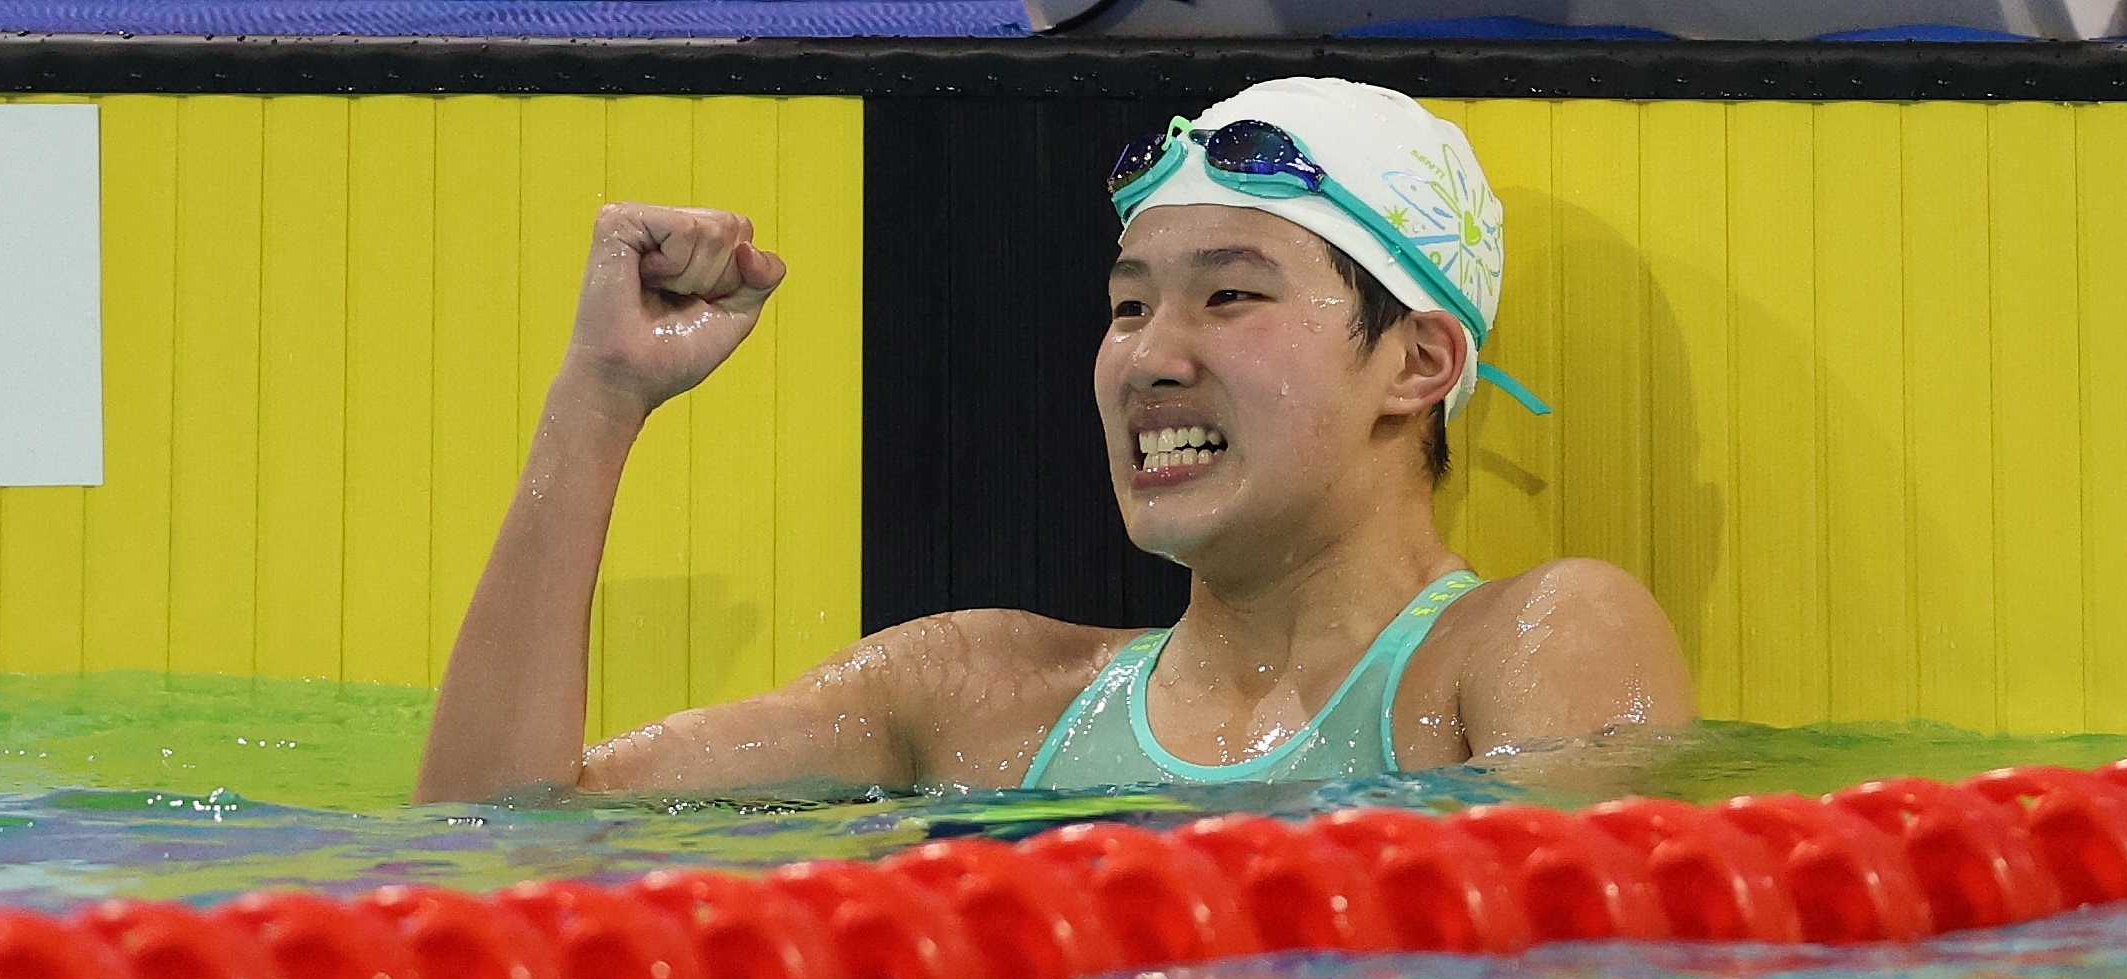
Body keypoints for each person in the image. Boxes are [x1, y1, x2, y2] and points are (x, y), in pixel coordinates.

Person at [415, 77, 1693, 806]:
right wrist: (598, 399)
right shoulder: (978, 697)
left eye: (1228, 295)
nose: (1149, 355)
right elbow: (501, 835)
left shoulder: (1530, 644)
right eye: (1128, 304)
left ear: (1418, 363)